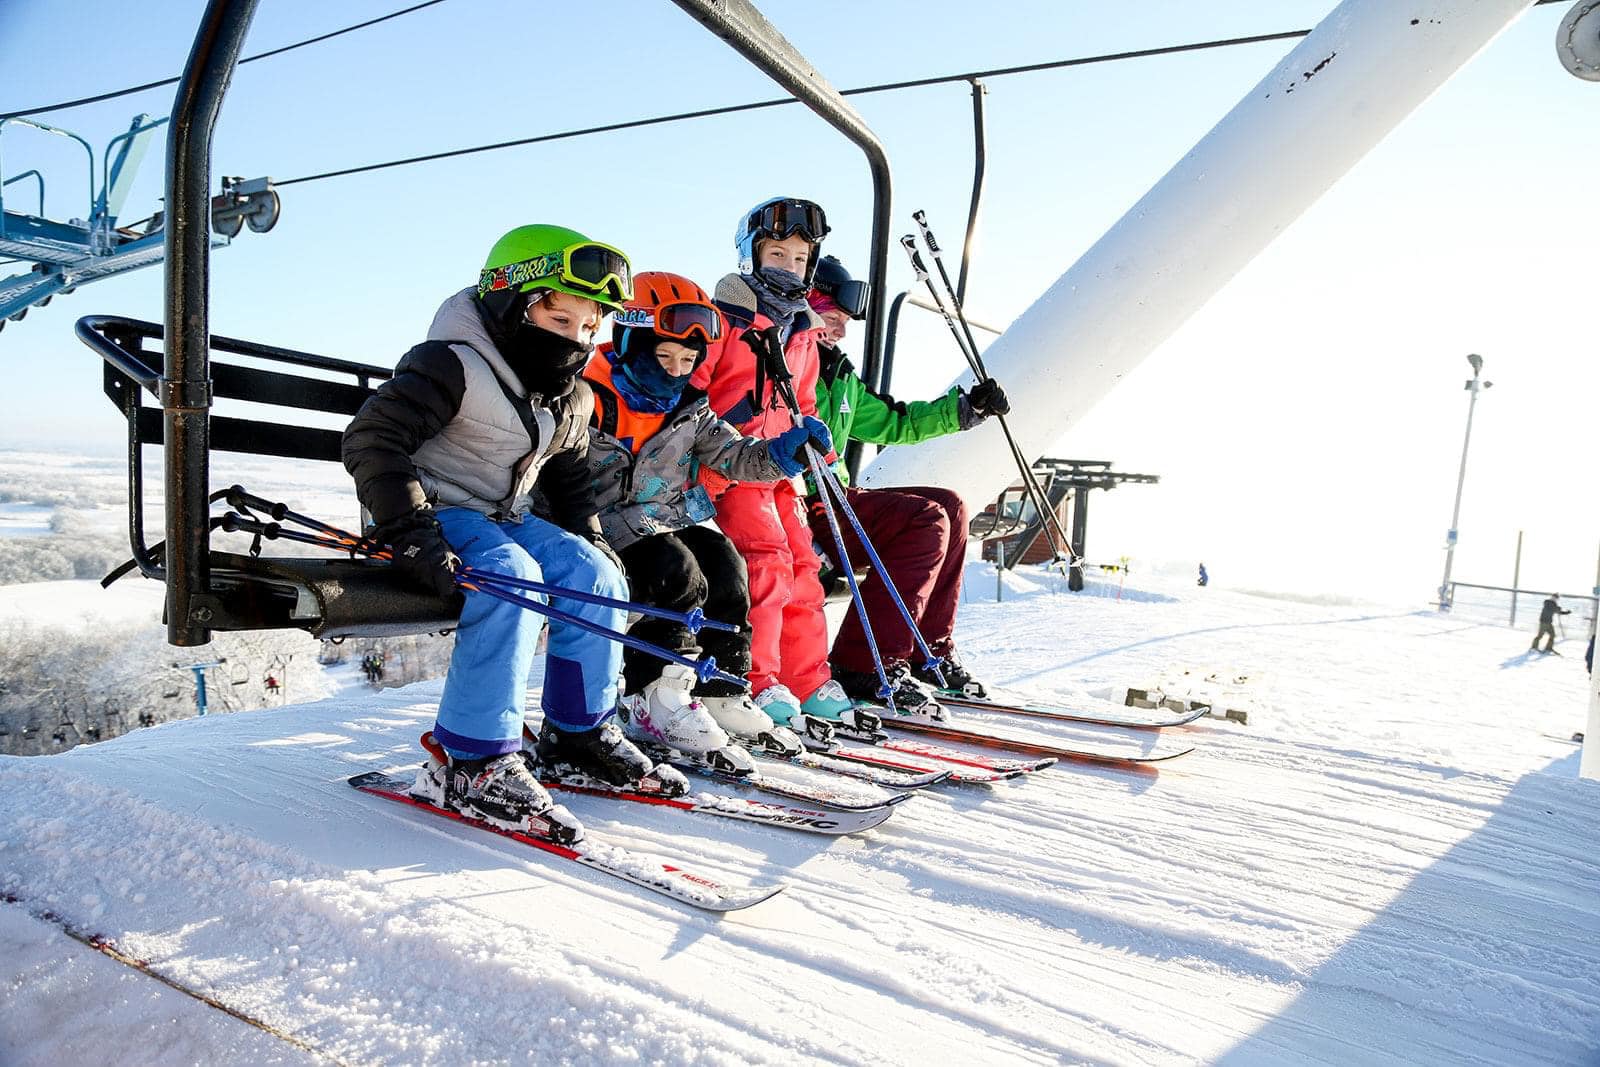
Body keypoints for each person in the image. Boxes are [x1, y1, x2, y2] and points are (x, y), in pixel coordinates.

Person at [342, 224, 681, 838]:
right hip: (430, 512)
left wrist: (589, 532)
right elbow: (374, 439)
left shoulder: (568, 394)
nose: (576, 341)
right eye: (560, 323)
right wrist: (411, 531)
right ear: (511, 302)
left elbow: (574, 476)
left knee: (596, 572)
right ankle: (472, 758)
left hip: (505, 515)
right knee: (512, 577)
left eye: (587, 329)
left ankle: (577, 732)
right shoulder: (449, 364)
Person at [576, 270, 830, 762]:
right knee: (673, 570)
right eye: (663, 355)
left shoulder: (688, 408)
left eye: (687, 361)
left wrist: (784, 453)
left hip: (657, 519)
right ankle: (651, 694)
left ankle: (721, 687)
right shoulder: (586, 394)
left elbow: (736, 457)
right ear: (629, 339)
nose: (673, 371)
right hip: (596, 523)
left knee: (725, 561)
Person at [689, 197, 877, 736]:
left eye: (799, 258)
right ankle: (758, 678)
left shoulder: (802, 332)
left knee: (805, 568)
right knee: (767, 564)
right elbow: (693, 395)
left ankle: (807, 678)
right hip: (732, 470)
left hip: (780, 473)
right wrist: (733, 423)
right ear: (752, 255)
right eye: (777, 253)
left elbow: (808, 402)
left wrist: (820, 450)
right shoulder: (726, 320)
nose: (788, 266)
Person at [804, 254, 1010, 706]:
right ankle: (864, 663)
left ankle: (925, 651)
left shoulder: (838, 376)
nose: (841, 331)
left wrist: (965, 409)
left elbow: (894, 421)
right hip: (804, 501)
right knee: (925, 519)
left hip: (838, 498)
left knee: (952, 506)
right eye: (833, 319)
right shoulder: (787, 365)